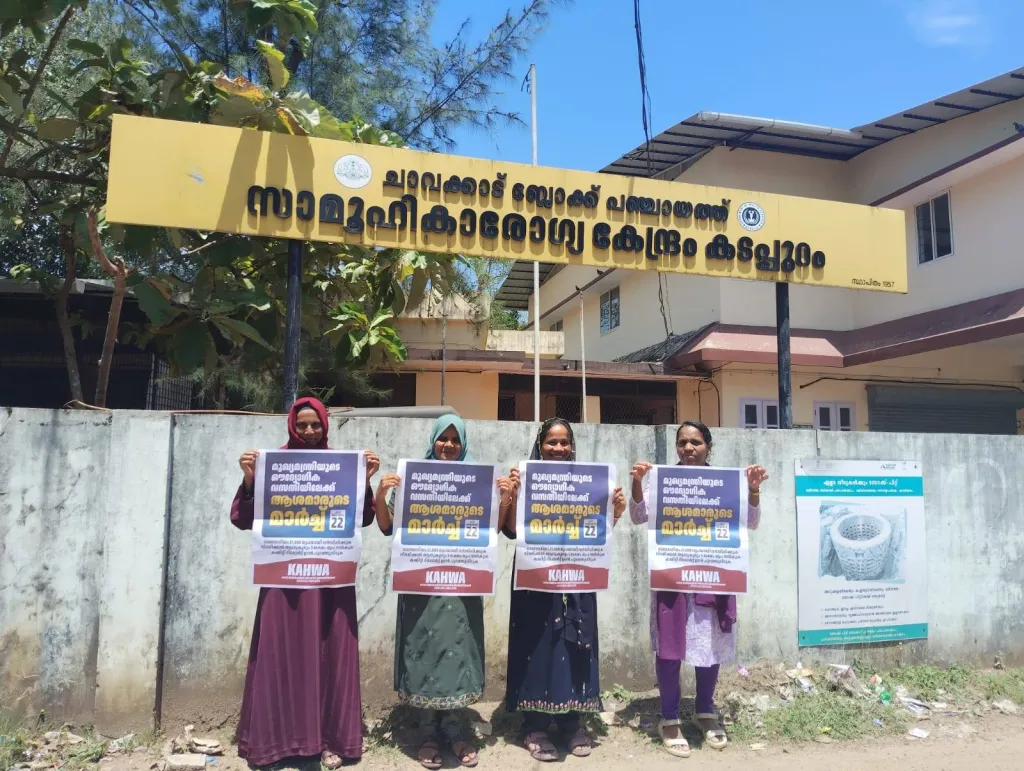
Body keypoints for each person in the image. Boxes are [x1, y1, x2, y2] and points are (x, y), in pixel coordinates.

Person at [231, 396, 380, 769]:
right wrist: (250, 480)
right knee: (281, 655)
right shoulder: (272, 465)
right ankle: (275, 742)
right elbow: (244, 518)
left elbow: (361, 519)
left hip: (331, 582)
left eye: (316, 425)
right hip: (284, 582)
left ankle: (330, 739)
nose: (310, 432)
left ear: (326, 426)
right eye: (303, 425)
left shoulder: (343, 467)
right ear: (292, 427)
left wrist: (365, 481)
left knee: (331, 656)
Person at [373, 415, 516, 769]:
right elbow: (387, 525)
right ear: (433, 441)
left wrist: (506, 499)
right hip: (420, 585)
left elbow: (492, 532)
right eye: (443, 438)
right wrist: (381, 493)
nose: (449, 445)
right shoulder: (414, 479)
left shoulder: (477, 483)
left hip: (461, 586)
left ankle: (456, 730)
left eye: (455, 439)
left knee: (457, 651)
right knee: (423, 650)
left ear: (463, 443)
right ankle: (425, 732)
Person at [629, 420, 768, 757]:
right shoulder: (664, 480)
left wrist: (752, 489)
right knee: (669, 646)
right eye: (682, 443)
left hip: (712, 578)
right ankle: (670, 717)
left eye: (695, 442)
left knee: (710, 644)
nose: (688, 448)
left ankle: (705, 711)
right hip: (673, 580)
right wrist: (637, 483)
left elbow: (749, 523)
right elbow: (638, 515)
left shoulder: (725, 483)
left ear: (708, 445)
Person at [500, 418, 628, 762]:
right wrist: (511, 497)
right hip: (536, 578)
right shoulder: (526, 480)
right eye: (551, 442)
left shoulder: (589, 484)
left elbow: (598, 534)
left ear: (573, 447)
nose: (558, 449)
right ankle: (535, 724)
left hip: (577, 578)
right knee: (537, 642)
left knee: (577, 639)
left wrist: (614, 512)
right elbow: (511, 531)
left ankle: (572, 722)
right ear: (540, 445)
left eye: (564, 442)